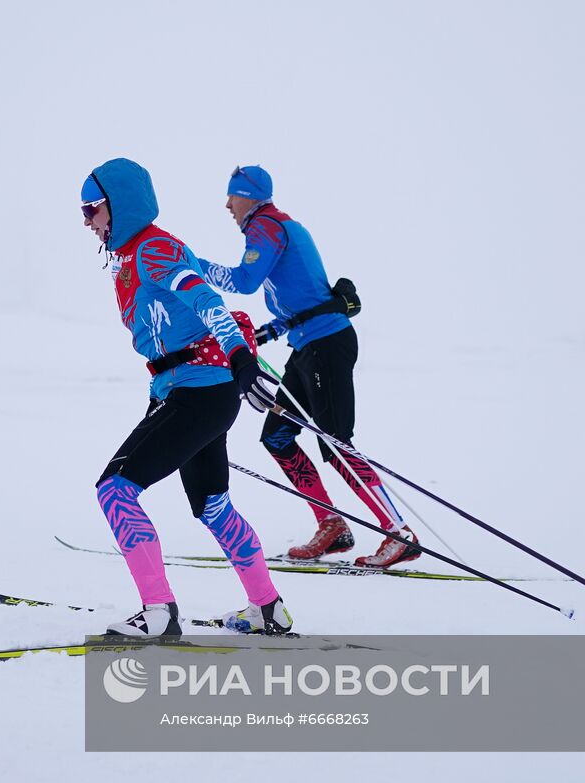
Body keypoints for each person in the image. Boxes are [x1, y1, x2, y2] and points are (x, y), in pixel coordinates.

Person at [81, 157, 292, 636]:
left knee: (115, 491)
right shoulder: (139, 255)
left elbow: (207, 301)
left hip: (198, 392)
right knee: (213, 506)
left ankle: (158, 615)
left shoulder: (153, 248)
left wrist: (241, 356)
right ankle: (267, 609)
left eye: (92, 208)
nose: (87, 221)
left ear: (119, 206)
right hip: (189, 392)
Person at [196, 165, 420, 568]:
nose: (228, 205)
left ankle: (398, 532)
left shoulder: (265, 226)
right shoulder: (279, 227)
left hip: (325, 346)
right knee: (277, 437)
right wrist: (273, 329)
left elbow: (245, 282)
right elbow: (305, 294)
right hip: (308, 345)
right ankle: (331, 525)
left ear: (251, 196)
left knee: (335, 443)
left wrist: (192, 265)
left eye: (233, 196)